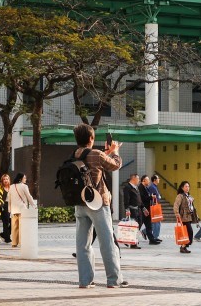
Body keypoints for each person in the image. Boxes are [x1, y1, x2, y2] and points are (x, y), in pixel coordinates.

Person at [71, 123, 126, 289]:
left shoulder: (74, 154)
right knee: (107, 241)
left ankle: (85, 280)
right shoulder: (96, 154)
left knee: (82, 244)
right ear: (90, 138)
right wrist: (115, 151)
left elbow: (97, 163)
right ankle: (114, 280)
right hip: (97, 203)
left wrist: (105, 153)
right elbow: (115, 165)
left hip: (80, 203)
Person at [7, 172, 34, 248]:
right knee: (22, 227)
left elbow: (9, 199)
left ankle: (14, 243)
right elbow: (29, 197)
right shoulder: (24, 186)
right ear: (20, 179)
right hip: (22, 209)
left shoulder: (11, 187)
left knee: (14, 227)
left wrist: (9, 209)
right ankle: (21, 243)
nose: (25, 179)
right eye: (24, 178)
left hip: (14, 209)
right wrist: (34, 205)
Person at [173, 180, 199, 253]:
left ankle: (184, 247)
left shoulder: (189, 196)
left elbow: (192, 206)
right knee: (189, 232)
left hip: (189, 216)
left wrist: (196, 215)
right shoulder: (180, 196)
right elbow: (176, 205)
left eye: (188, 186)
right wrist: (177, 214)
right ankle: (183, 246)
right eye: (186, 186)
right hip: (183, 217)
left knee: (187, 232)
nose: (187, 188)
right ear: (182, 188)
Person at [121, 173, 143, 249]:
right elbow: (126, 199)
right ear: (133, 179)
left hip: (138, 210)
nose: (139, 180)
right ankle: (133, 243)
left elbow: (139, 199)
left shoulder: (136, 187)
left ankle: (130, 240)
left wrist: (143, 208)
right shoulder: (127, 187)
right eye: (138, 179)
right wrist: (127, 209)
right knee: (133, 227)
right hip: (132, 210)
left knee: (139, 224)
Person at [138, 175, 162, 244]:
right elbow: (142, 198)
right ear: (143, 181)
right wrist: (151, 197)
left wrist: (151, 197)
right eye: (147, 180)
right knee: (139, 225)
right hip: (143, 209)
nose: (149, 181)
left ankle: (152, 240)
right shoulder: (140, 188)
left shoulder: (146, 188)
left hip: (147, 209)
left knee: (149, 225)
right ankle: (131, 237)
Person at [147, 175, 164, 243]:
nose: (159, 179)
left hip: (156, 206)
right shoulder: (152, 187)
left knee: (154, 222)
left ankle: (146, 232)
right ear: (154, 180)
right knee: (156, 222)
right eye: (158, 178)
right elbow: (153, 198)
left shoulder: (154, 187)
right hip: (154, 206)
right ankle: (154, 237)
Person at [0, 173, 12, 243]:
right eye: (4, 179)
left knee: (13, 222)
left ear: (9, 180)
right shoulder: (1, 188)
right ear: (2, 180)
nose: (6, 180)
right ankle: (7, 238)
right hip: (4, 206)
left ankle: (4, 234)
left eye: (7, 179)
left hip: (11, 205)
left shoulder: (11, 188)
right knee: (5, 222)